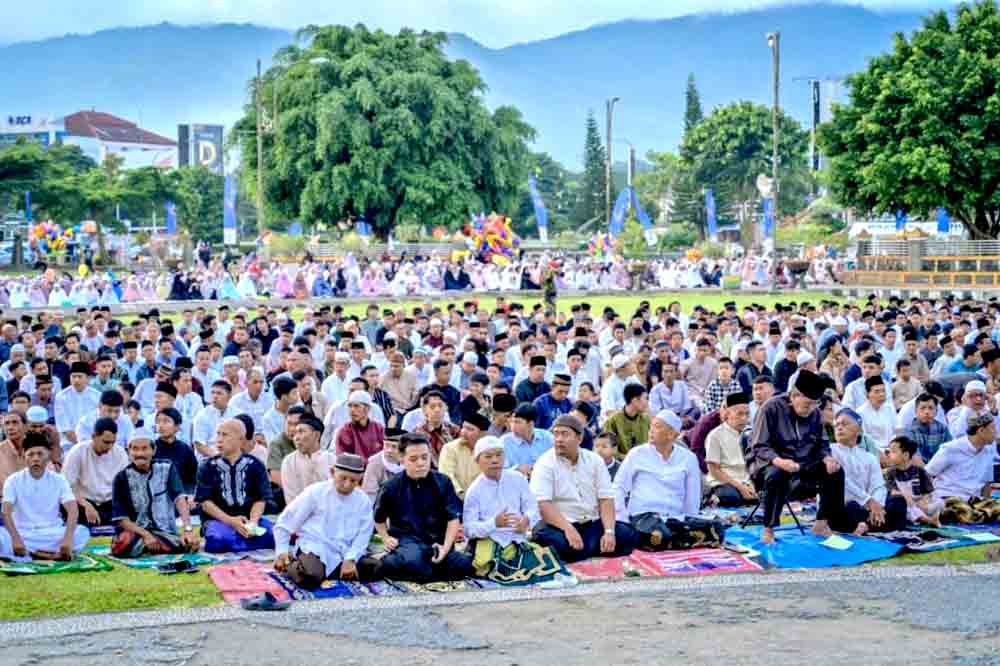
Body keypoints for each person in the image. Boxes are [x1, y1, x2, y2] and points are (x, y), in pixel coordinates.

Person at [747, 370, 846, 545]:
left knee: (835, 471)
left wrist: (827, 458)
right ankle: (769, 529)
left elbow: (822, 443)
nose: (811, 409)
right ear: (794, 396)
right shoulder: (771, 408)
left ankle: (822, 523)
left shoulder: (814, 413)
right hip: (770, 464)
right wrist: (780, 461)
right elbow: (759, 446)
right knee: (777, 473)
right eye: (807, 405)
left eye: (815, 404)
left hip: (802, 463)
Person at [530, 414, 638, 563]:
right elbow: (543, 505)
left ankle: (584, 549)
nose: (559, 439)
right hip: (560, 525)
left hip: (592, 524)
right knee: (554, 541)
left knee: (628, 535)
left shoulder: (594, 460)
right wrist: (568, 529)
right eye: (556, 434)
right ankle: (588, 548)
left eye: (565, 434)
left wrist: (609, 532)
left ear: (579, 438)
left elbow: (606, 498)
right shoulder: (545, 463)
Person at [371, 433, 473, 581]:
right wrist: (386, 538)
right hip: (407, 541)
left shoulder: (443, 482)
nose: (421, 463)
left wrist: (445, 548)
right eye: (413, 459)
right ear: (402, 459)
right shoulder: (391, 486)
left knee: (463, 564)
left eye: (425, 457)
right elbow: (378, 517)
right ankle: (404, 564)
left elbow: (453, 518)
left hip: (437, 541)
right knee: (415, 562)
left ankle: (425, 570)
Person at [614, 409, 723, 549]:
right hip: (644, 516)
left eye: (657, 426)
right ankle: (678, 539)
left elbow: (692, 497)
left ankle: (670, 539)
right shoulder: (637, 454)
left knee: (717, 529)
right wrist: (622, 518)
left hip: (674, 518)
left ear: (671, 434)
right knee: (658, 534)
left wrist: (689, 520)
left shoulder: (688, 458)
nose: (651, 430)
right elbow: (619, 487)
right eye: (651, 426)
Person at [274, 453, 377, 589]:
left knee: (377, 568)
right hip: (317, 548)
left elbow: (364, 533)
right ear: (333, 472)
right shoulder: (316, 492)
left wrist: (351, 559)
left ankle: (327, 572)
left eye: (353, 481)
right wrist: (282, 551)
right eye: (343, 478)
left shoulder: (363, 500)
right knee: (309, 577)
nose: (347, 485)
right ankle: (297, 564)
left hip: (344, 551)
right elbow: (285, 522)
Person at [0, 433, 90, 561]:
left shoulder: (59, 480)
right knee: (2, 537)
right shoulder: (13, 480)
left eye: (40, 454)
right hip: (23, 533)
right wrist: (15, 539)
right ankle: (51, 554)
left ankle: (30, 554)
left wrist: (67, 539)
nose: (36, 459)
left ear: (48, 455)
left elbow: (72, 509)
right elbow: (5, 512)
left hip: (52, 532)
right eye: (31, 454)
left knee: (82, 532)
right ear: (24, 456)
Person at [110, 432, 199, 557]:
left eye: (144, 448)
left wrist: (188, 529)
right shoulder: (121, 478)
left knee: (187, 544)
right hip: (136, 532)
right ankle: (153, 545)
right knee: (123, 544)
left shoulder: (167, 468)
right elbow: (121, 519)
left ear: (153, 450)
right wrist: (146, 535)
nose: (140, 454)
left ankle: (150, 546)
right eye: (135, 449)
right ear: (128, 451)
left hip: (163, 531)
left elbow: (179, 499)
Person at [196, 419, 274, 552]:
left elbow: (261, 499)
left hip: (249, 520)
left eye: (225, 435)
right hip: (219, 521)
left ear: (240, 439)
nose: (219, 439)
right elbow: (205, 503)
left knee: (274, 535)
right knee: (218, 540)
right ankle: (242, 541)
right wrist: (231, 521)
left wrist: (253, 522)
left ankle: (239, 540)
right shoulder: (206, 466)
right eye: (218, 434)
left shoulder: (255, 464)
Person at [830, 416, 906, 536]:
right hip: (845, 506)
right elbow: (842, 483)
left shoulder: (869, 457)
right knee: (851, 507)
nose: (839, 428)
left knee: (898, 501)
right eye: (837, 425)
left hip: (868, 508)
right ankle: (875, 526)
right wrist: (868, 501)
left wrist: (877, 506)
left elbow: (878, 485)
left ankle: (867, 525)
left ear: (859, 430)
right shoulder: (829, 452)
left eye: (844, 424)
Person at [462, 436, 539, 549]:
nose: (495, 460)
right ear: (477, 461)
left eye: (499, 455)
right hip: (489, 543)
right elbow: (468, 529)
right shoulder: (474, 490)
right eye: (488, 456)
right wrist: (494, 523)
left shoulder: (518, 478)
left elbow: (533, 507)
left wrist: (526, 520)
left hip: (519, 540)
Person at [926, 413, 1000, 524]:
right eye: (993, 428)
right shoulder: (951, 448)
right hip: (948, 496)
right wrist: (928, 502)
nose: (996, 432)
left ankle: (980, 514)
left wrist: (987, 503)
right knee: (966, 513)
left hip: (973, 499)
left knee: (992, 508)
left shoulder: (988, 451)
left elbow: (986, 483)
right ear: (981, 430)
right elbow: (926, 474)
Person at [61, 417, 130, 526]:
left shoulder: (120, 453)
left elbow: (124, 486)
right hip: (83, 502)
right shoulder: (78, 451)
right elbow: (65, 486)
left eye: (112, 442)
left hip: (110, 503)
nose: (109, 447)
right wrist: (86, 505)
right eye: (106, 442)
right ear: (94, 436)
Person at [705, 392, 756, 508]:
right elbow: (714, 470)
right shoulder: (715, 435)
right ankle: (712, 497)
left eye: (747, 414)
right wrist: (740, 487)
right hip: (724, 481)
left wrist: (751, 484)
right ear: (728, 413)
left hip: (746, 480)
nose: (744, 418)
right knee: (731, 498)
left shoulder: (750, 434)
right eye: (740, 414)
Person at [885, 435, 943, 527]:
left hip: (919, 502)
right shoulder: (890, 472)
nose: (889, 454)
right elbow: (892, 491)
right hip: (904, 502)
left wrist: (924, 501)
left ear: (905, 455)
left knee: (940, 502)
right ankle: (929, 520)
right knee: (908, 509)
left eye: (893, 452)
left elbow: (927, 491)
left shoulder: (920, 471)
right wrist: (906, 497)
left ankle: (927, 515)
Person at [280, 415, 335, 504]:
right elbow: (291, 500)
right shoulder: (289, 462)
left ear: (316, 435)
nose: (296, 438)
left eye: (301, 432)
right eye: (295, 434)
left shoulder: (331, 460)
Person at [437, 410, 489, 498]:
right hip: (455, 498)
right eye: (463, 427)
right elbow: (447, 476)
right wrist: (463, 496)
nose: (463, 432)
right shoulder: (450, 448)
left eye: (470, 429)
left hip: (483, 498)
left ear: (482, 434)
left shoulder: (488, 450)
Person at [54, 361, 101, 449]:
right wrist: (82, 446)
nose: (76, 380)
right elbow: (65, 428)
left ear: (88, 378)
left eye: (80, 377)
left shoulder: (97, 396)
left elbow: (99, 423)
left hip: (93, 443)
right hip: (68, 444)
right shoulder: (61, 396)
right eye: (73, 376)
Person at [153, 407, 198, 496]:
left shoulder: (185, 449)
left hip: (180, 495)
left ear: (177, 426)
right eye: (158, 421)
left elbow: (192, 480)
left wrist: (187, 496)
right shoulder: (151, 448)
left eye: (166, 421)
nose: (161, 425)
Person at [501, 403, 554, 477]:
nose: (513, 426)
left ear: (530, 424)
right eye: (512, 422)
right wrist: (517, 469)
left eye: (517, 422)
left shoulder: (547, 437)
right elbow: (500, 471)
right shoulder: (504, 442)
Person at [334, 390, 385, 464]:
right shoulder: (344, 431)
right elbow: (344, 459)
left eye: (356, 406)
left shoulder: (379, 429)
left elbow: (385, 456)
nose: (352, 410)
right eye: (350, 406)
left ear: (367, 408)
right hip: (354, 470)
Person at [603, 383, 650, 458]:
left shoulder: (646, 419)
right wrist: (629, 460)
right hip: (621, 463)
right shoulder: (612, 421)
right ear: (635, 400)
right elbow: (608, 450)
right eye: (646, 398)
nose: (647, 402)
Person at [903, 393, 951, 465]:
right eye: (922, 408)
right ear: (916, 411)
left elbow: (950, 451)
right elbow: (915, 457)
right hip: (918, 468)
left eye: (930, 408)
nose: (927, 412)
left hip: (939, 467)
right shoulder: (909, 429)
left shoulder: (943, 429)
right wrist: (928, 471)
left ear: (936, 411)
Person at [361, 430, 404, 499]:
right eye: (387, 445)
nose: (389, 450)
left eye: (394, 447)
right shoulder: (374, 463)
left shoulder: (410, 461)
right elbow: (370, 494)